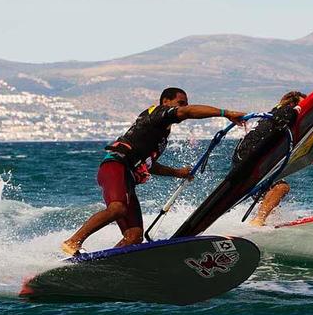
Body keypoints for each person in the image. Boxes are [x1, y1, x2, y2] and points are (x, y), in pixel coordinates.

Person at [61, 87, 245, 255]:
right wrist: (226, 113)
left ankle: (102, 264)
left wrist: (178, 172)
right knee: (117, 208)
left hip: (128, 176)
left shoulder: (160, 133)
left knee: (134, 236)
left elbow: (150, 165)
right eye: (180, 103)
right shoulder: (158, 113)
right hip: (115, 166)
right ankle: (73, 241)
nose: (184, 107)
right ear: (166, 102)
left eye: (185, 104)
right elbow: (187, 112)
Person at [237, 91, 313, 227]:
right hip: (251, 161)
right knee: (281, 187)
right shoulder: (283, 116)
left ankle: (262, 221)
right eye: (304, 106)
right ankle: (257, 222)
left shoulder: (282, 122)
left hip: (252, 161)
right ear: (293, 105)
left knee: (271, 194)